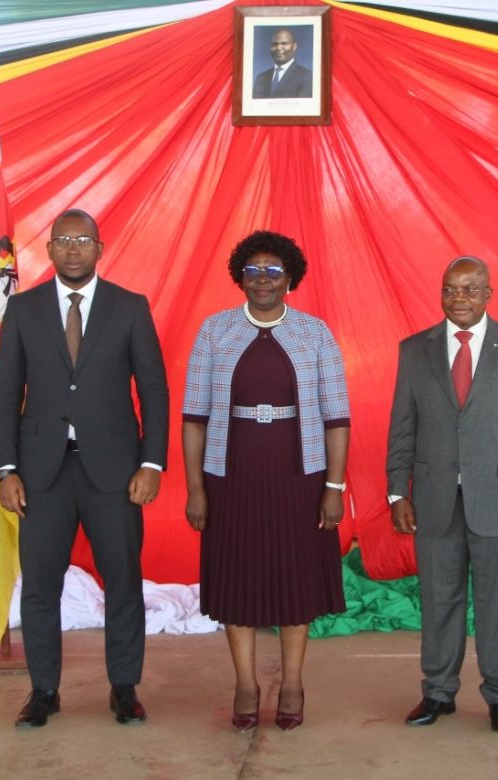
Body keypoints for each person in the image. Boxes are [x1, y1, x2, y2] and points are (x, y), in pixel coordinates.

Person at [0, 208, 169, 728]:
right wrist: (6, 469)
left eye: (83, 240)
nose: (74, 249)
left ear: (99, 248)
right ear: (49, 249)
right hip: (40, 474)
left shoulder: (130, 307)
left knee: (123, 579)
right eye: (64, 241)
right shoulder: (23, 310)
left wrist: (151, 462)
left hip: (114, 473)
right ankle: (44, 691)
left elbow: (153, 390)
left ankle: (124, 687)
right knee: (40, 586)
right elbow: (7, 395)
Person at [182, 230, 350, 732]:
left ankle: (293, 683)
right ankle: (245, 685)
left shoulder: (315, 334)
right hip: (230, 478)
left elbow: (337, 417)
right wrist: (196, 487)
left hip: (300, 476)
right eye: (252, 270)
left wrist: (334, 487)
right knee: (239, 581)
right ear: (240, 277)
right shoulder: (214, 331)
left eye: (273, 270)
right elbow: (194, 417)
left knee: (295, 581)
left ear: (289, 278)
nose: (262, 279)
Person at [386, 255, 498, 733]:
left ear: (487, 295)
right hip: (434, 499)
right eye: (450, 289)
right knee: (439, 600)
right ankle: (438, 693)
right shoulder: (414, 350)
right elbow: (402, 426)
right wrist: (398, 491)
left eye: (469, 289)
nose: (458, 297)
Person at [252, 28, 313, 99]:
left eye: (284, 43)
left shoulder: (307, 76)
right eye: (274, 44)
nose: (278, 48)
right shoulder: (261, 78)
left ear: (294, 46)